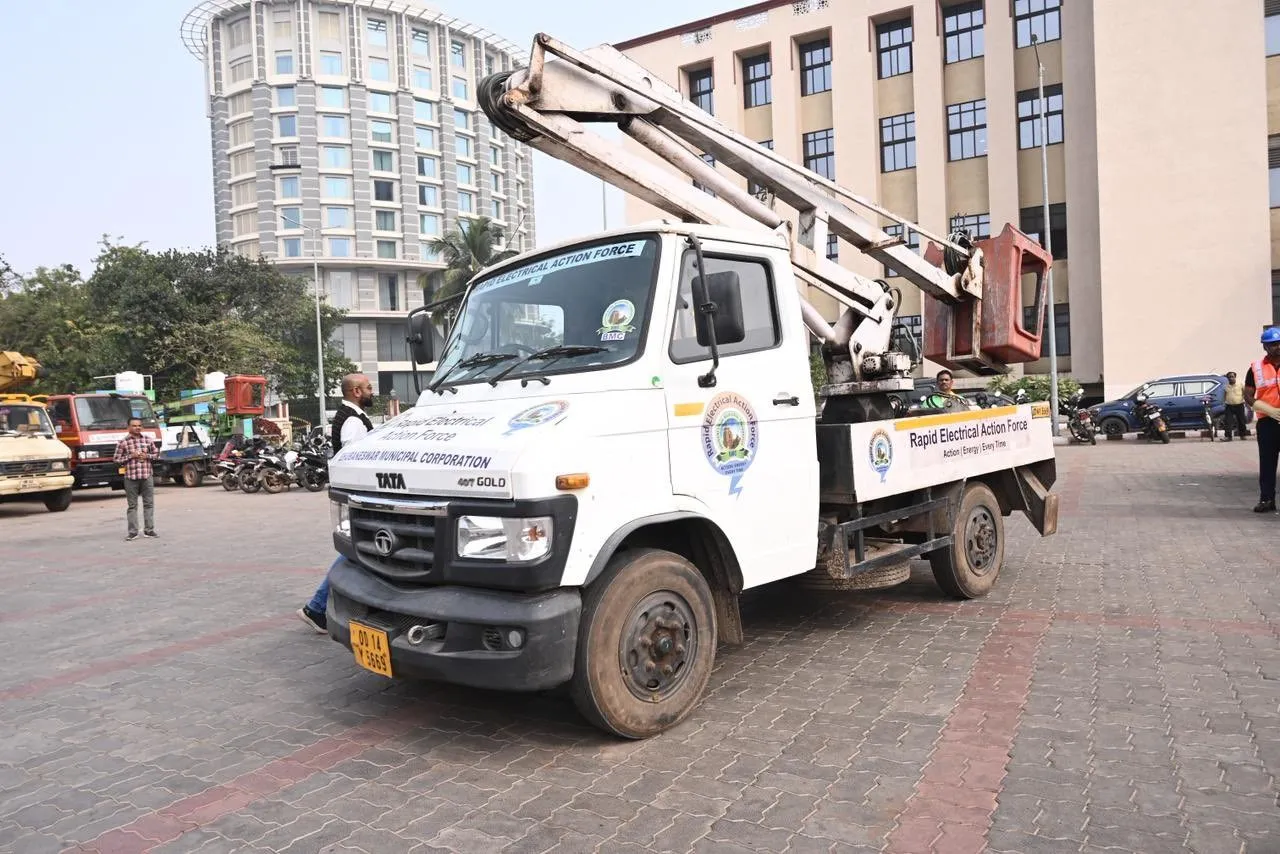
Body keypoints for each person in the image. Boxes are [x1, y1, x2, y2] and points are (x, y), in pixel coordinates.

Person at [297, 373, 375, 633]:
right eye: (368, 387)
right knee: (355, 553)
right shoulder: (353, 420)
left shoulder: (349, 415)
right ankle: (317, 608)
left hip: (358, 495)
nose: (372, 390)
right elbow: (356, 458)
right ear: (355, 391)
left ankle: (320, 609)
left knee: (358, 553)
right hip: (361, 495)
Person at [1243, 327, 1280, 513]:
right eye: (1273, 344)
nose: (1278, 347)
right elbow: (1248, 395)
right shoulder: (1255, 368)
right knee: (1267, 462)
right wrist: (1268, 409)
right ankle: (1267, 499)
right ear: (1265, 346)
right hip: (1268, 422)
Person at [113, 417, 160, 541]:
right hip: (131, 477)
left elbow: (156, 455)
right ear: (128, 427)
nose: (137, 427)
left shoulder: (148, 440)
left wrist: (147, 456)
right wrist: (130, 456)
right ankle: (133, 532)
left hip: (146, 476)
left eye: (139, 425)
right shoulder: (123, 442)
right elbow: (116, 460)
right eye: (134, 425)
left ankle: (149, 530)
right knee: (132, 506)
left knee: (149, 504)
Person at [1222, 371, 1248, 441]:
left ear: (1235, 377)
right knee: (1228, 422)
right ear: (1227, 378)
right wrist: (1223, 403)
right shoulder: (1225, 386)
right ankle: (1228, 437)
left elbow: (1244, 394)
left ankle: (1243, 435)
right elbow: (1224, 396)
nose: (1231, 378)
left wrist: (1246, 402)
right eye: (1229, 377)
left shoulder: (1240, 385)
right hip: (1229, 406)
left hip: (1239, 405)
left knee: (1241, 421)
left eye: (1232, 377)